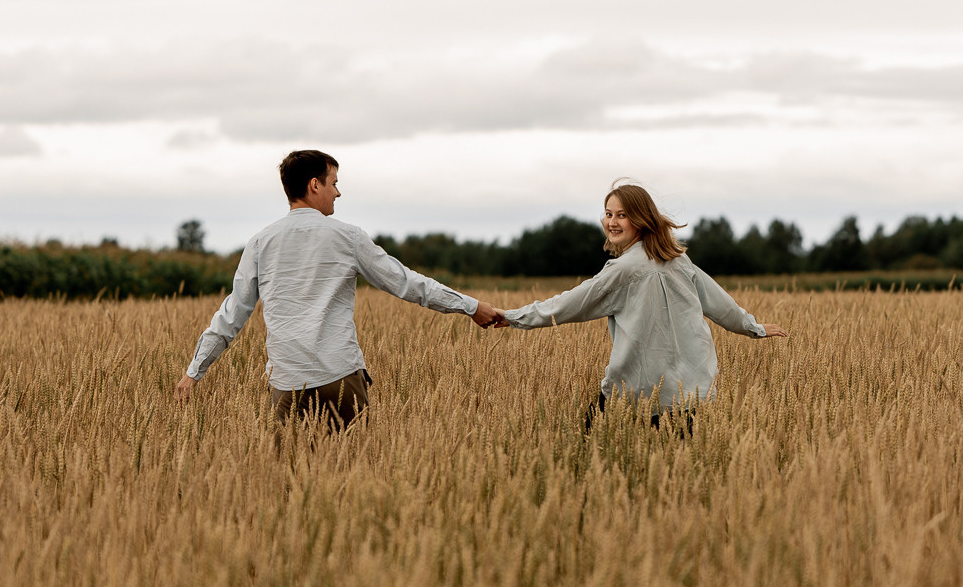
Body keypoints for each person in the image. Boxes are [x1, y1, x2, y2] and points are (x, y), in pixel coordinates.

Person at [172, 149, 505, 430]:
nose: (338, 192)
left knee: (286, 484)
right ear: (314, 185)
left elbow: (232, 315)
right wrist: (470, 306)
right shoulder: (348, 237)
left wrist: (194, 372)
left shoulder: (260, 243)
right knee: (351, 479)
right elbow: (407, 283)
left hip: (287, 385)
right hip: (340, 378)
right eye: (334, 183)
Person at [502, 181, 788, 430]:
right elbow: (721, 304)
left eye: (622, 215)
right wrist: (753, 328)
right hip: (690, 394)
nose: (612, 222)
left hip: (635, 394)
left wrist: (512, 317)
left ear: (641, 219)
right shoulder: (679, 259)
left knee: (592, 460)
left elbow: (565, 306)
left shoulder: (622, 269)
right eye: (609, 214)